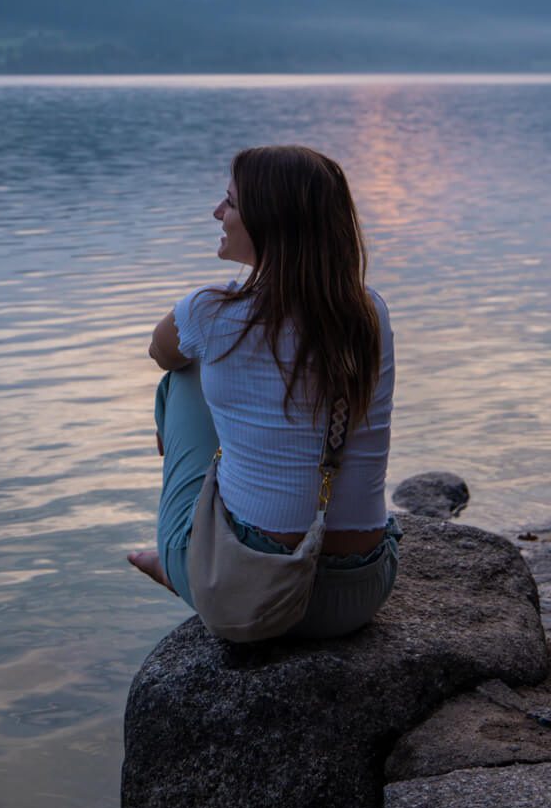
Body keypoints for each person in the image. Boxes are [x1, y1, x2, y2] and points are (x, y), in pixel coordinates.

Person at [128, 144, 400, 639]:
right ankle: (197, 560)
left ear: (269, 221)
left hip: (258, 595)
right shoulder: (369, 313)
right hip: (360, 590)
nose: (217, 212)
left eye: (229, 203)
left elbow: (161, 353)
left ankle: (182, 562)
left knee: (183, 378)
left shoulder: (208, 311)